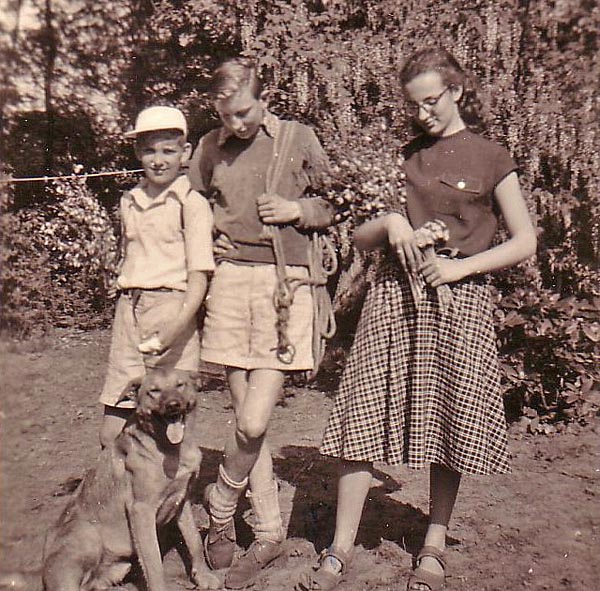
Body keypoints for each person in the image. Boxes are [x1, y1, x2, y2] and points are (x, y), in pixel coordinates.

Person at [296, 47, 537, 591]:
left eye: (432, 102)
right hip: (393, 298)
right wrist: (390, 223)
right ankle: (338, 548)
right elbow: (358, 239)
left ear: (456, 90)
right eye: (414, 105)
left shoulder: (492, 156)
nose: (423, 114)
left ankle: (433, 543)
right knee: (361, 411)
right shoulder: (403, 156)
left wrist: (461, 269)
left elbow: (524, 241)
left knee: (450, 419)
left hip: (459, 299)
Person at [187, 57, 337, 589]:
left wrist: (297, 212)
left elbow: (335, 204)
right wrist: (206, 238)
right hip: (230, 285)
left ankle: (221, 501)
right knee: (249, 422)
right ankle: (266, 531)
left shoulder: (298, 138)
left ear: (264, 99)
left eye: (245, 113)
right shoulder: (208, 147)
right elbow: (191, 207)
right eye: (227, 116)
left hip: (285, 284)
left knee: (252, 422)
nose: (237, 125)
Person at [98, 105, 215, 448]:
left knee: (171, 423)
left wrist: (176, 326)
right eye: (149, 150)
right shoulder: (129, 201)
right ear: (137, 151)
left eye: (169, 150)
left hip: (172, 311)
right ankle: (119, 496)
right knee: (112, 432)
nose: (159, 160)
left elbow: (199, 276)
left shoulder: (191, 203)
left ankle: (173, 499)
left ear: (185, 153)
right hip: (129, 311)